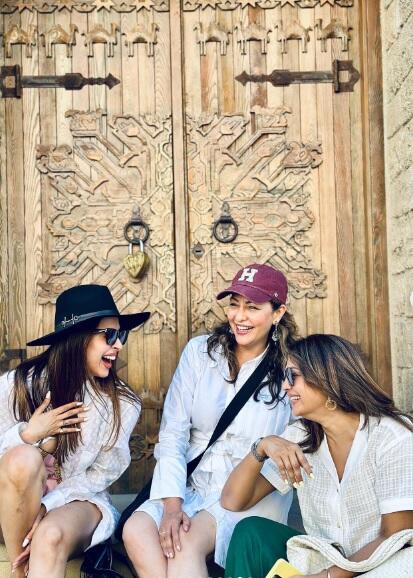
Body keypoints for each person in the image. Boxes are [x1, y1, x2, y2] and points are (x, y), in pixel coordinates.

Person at [123, 263, 300, 578]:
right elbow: (173, 433)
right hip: (194, 484)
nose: (239, 316)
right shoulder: (200, 353)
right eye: (234, 304)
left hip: (249, 494)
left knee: (184, 543)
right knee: (136, 530)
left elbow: (299, 440)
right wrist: (172, 506)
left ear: (277, 313)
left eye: (252, 307)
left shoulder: (293, 367)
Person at [222, 334, 413, 578]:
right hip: (321, 559)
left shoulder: (391, 436)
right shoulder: (302, 437)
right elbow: (233, 500)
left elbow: (396, 535)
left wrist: (326, 577)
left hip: (382, 566)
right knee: (251, 533)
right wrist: (261, 446)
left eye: (292, 375)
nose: (285, 386)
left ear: (326, 377)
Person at [0, 284, 149, 578]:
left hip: (79, 501)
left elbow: (100, 475)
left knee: (50, 535)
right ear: (77, 338)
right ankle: (19, 571)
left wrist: (48, 506)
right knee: (22, 458)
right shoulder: (17, 385)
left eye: (121, 335)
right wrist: (28, 435)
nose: (119, 345)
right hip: (10, 508)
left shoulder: (123, 404)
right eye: (109, 335)